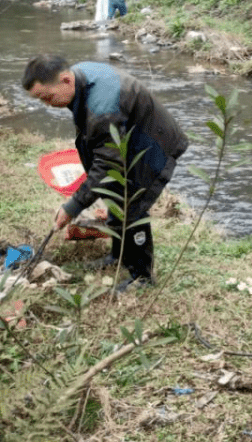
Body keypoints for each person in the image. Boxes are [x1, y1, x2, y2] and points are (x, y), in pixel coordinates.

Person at [21, 55, 189, 292]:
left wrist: (73, 207)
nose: (47, 104)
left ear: (66, 80)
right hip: (127, 133)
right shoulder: (77, 76)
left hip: (152, 140)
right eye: (40, 100)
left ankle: (142, 276)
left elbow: (107, 165)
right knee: (114, 193)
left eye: (47, 97)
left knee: (133, 202)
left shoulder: (102, 106)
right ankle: (118, 255)